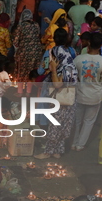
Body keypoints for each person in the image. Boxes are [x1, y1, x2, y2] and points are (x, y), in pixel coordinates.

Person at [34, 29, 78, 159]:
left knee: (54, 124)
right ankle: (58, 151)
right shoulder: (70, 56)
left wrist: (53, 69)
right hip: (71, 96)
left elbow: (56, 83)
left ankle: (48, 152)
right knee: (64, 124)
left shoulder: (56, 58)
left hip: (60, 96)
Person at [72, 32, 102, 152]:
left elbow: (73, 77)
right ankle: (80, 145)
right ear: (101, 45)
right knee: (89, 121)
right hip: (95, 96)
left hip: (79, 94)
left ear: (88, 43)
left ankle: (73, 142)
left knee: (77, 120)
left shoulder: (78, 59)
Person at [13, 9, 43, 95]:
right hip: (36, 52)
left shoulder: (21, 26)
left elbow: (15, 41)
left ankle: (20, 92)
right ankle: (28, 92)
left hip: (24, 53)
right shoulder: (36, 25)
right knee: (31, 71)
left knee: (21, 71)